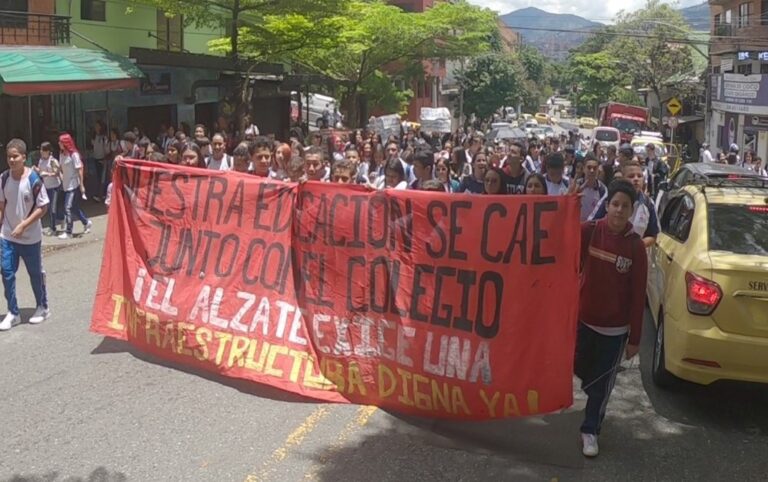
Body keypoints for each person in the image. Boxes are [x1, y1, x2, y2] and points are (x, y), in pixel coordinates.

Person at [576, 178, 647, 458]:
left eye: (625, 206)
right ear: (607, 205)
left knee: (601, 386)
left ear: (631, 211)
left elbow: (638, 294)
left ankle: (590, 429)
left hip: (614, 332)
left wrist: (635, 339)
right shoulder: (590, 232)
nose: (618, 210)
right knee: (583, 372)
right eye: (615, 204)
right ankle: (592, 391)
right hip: (583, 322)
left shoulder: (635, 247)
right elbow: (560, 236)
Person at [0, 139, 51, 331]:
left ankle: (42, 306)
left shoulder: (33, 180)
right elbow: (2, 205)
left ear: (24, 156)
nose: (12, 160)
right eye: (9, 156)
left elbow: (43, 207)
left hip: (30, 237)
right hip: (8, 235)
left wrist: (23, 225)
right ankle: (13, 313)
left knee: (35, 274)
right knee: (6, 272)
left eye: (15, 156)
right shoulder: (4, 178)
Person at [589, 160, 659, 248]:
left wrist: (636, 246)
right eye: (631, 176)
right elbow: (592, 225)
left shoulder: (649, 204)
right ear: (622, 179)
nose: (636, 179)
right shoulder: (610, 199)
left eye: (639, 176)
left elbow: (653, 235)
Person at [58, 133, 92, 240]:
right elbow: (61, 168)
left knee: (67, 207)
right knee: (74, 208)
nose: (59, 144)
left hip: (73, 184)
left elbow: (80, 169)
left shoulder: (74, 155)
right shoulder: (62, 154)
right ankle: (86, 222)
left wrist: (81, 185)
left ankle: (68, 231)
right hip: (65, 183)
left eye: (61, 142)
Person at [34, 142, 61, 235]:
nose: (41, 152)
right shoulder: (41, 160)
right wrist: (37, 170)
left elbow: (57, 173)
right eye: (41, 150)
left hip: (54, 187)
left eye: (43, 150)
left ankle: (53, 227)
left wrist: (47, 174)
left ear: (48, 151)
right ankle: (61, 219)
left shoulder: (52, 161)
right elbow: (40, 170)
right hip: (46, 187)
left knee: (52, 208)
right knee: (47, 207)